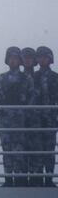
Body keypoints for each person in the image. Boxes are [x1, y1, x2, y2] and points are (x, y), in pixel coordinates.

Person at [0, 47, 35, 187]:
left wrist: (26, 110)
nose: (13, 60)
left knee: (20, 149)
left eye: (16, 58)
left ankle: (19, 178)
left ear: (20, 61)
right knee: (7, 149)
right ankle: (8, 178)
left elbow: (32, 97)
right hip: (5, 118)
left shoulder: (26, 79)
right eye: (11, 58)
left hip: (21, 119)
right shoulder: (0, 78)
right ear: (7, 60)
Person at [33, 46, 57, 187]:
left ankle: (48, 178)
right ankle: (37, 178)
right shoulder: (32, 77)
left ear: (50, 59)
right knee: (36, 149)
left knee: (49, 150)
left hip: (50, 119)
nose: (42, 59)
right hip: (35, 120)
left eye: (45, 57)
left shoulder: (56, 78)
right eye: (40, 57)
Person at [21, 46, 38, 183]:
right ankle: (21, 177)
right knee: (19, 148)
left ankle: (37, 177)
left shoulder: (46, 77)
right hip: (18, 119)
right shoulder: (18, 78)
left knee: (40, 149)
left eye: (30, 58)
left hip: (42, 120)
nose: (27, 61)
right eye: (25, 58)